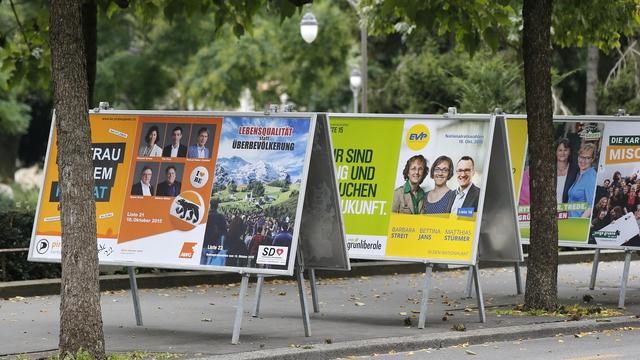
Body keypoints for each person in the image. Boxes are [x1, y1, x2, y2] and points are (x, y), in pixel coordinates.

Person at [567, 143, 597, 218]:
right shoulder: (579, 174)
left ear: (592, 159)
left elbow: (591, 206)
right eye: (581, 157)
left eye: (587, 158)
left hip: (578, 225)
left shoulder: (591, 176)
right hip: (569, 221)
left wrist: (578, 224)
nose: (583, 161)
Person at [200, 199, 228, 265]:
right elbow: (225, 232)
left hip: (203, 245)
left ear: (210, 205)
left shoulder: (205, 216)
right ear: (217, 206)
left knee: (200, 266)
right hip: (214, 246)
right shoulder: (221, 217)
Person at [556, 138, 579, 203]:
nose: (562, 153)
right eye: (560, 150)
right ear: (556, 152)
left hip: (568, 210)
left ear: (570, 152)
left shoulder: (575, 170)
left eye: (565, 150)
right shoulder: (549, 170)